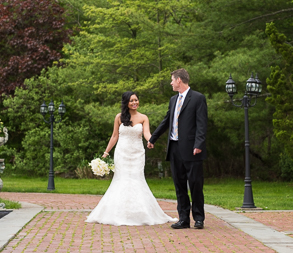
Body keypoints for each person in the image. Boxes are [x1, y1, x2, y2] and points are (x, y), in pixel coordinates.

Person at [85, 91, 177, 226]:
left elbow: (146, 133)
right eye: (131, 101)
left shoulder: (144, 117)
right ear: (126, 103)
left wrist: (151, 141)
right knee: (121, 179)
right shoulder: (119, 117)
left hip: (137, 154)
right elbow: (114, 136)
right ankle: (117, 212)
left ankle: (140, 213)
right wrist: (106, 152)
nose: (135, 103)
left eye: (136, 100)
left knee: (137, 179)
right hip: (122, 153)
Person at [147, 68, 208, 229]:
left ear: (179, 80)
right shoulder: (173, 100)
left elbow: (202, 124)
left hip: (192, 149)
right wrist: (153, 138)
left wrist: (199, 144)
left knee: (195, 185)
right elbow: (166, 121)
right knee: (179, 185)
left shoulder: (198, 98)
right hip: (174, 148)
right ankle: (183, 219)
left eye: (172, 80)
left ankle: (199, 218)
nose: (171, 83)